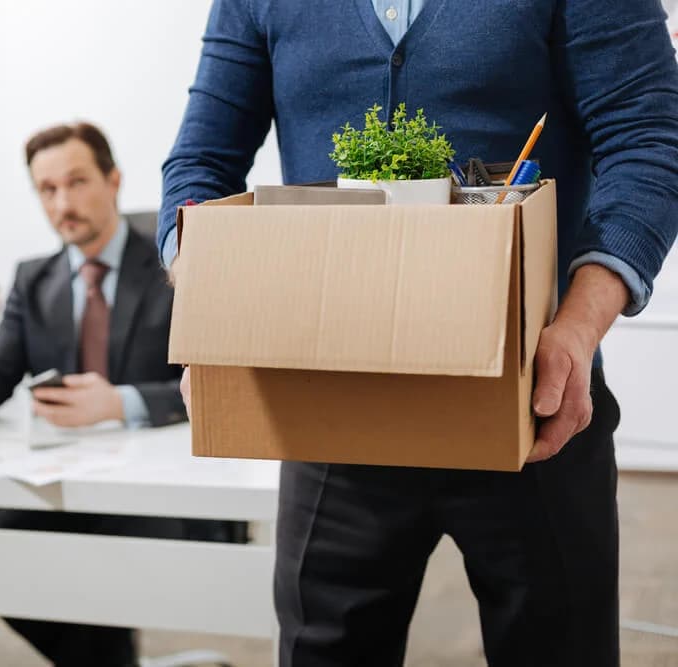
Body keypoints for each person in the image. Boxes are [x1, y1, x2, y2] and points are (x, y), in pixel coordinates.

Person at [158, 2, 678, 666]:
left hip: (533, 408)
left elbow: (647, 143)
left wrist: (577, 329)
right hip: (329, 420)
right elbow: (199, 165)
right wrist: (211, 298)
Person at [0, 122, 193, 666]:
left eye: (76, 183)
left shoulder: (176, 269)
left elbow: (214, 384)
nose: (62, 203)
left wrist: (121, 402)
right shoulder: (34, 279)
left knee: (48, 557)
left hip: (159, 484)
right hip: (68, 482)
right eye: (47, 190)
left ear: (114, 180)